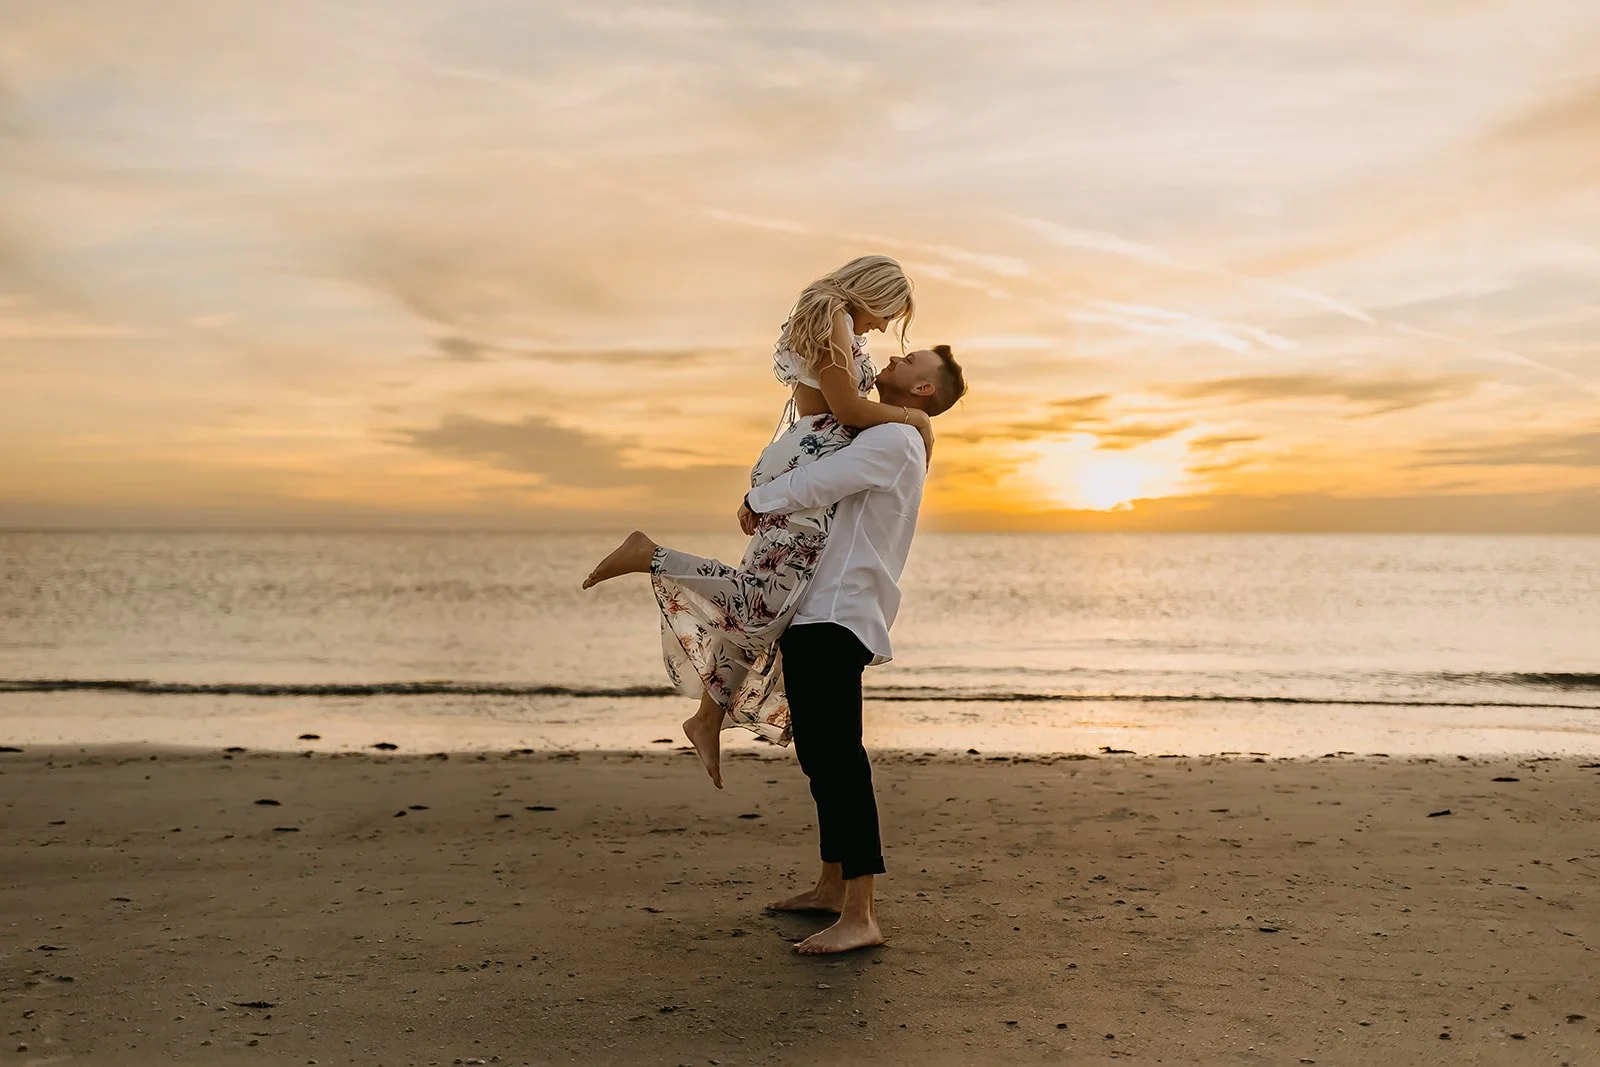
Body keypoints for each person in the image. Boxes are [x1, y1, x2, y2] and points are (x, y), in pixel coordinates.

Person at [581, 256, 948, 789]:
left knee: (765, 608)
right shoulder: (834, 319)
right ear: (874, 295)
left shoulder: (832, 319)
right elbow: (846, 409)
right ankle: (651, 555)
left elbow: (844, 404)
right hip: (812, 456)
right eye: (890, 316)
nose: (885, 329)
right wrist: (916, 420)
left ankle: (708, 719)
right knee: (762, 602)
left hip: (805, 454)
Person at [743, 348, 966, 953]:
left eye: (910, 357)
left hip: (839, 610)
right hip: (820, 606)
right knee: (820, 756)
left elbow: (822, 481)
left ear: (921, 387)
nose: (893, 353)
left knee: (839, 759)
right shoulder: (896, 433)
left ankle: (861, 914)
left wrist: (758, 500)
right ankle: (830, 885)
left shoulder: (895, 439)